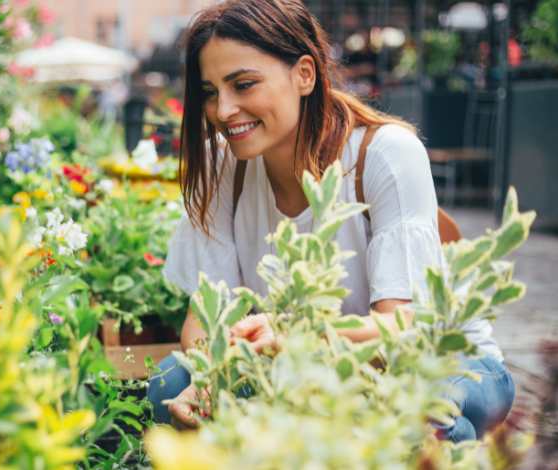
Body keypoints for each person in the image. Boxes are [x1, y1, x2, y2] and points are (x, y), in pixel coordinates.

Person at [147, 0, 514, 443]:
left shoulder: (384, 154)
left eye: (243, 84)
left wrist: (298, 337)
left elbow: (401, 328)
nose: (223, 110)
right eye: (209, 92)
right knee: (170, 383)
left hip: (440, 360)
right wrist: (209, 380)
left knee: (426, 414)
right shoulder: (223, 167)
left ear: (305, 74)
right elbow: (204, 321)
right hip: (303, 365)